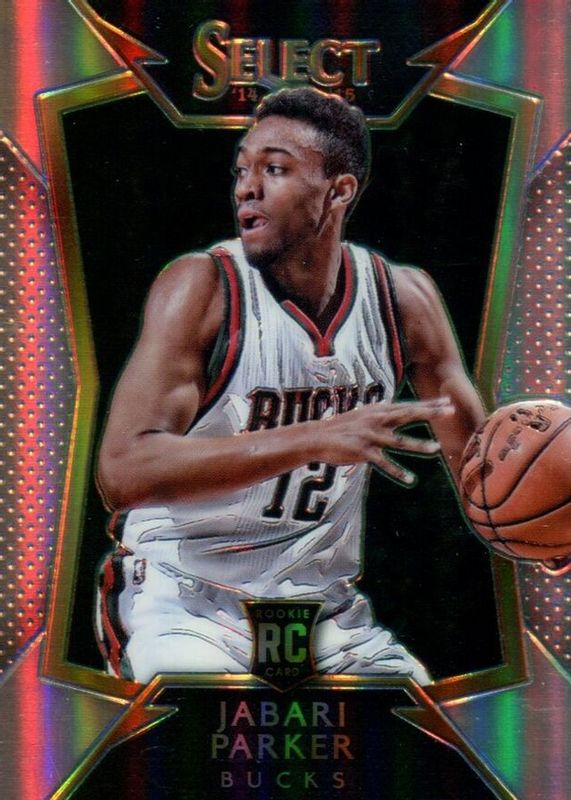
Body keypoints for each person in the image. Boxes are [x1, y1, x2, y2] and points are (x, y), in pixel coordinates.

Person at [95, 87, 485, 685]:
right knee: (217, 724)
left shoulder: (403, 299)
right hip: (183, 602)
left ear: (339, 190)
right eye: (242, 170)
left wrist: (547, 528)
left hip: (323, 616)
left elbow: (484, 471)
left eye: (274, 169)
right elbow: (123, 471)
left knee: (421, 730)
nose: (246, 188)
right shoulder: (203, 287)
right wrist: (314, 438)